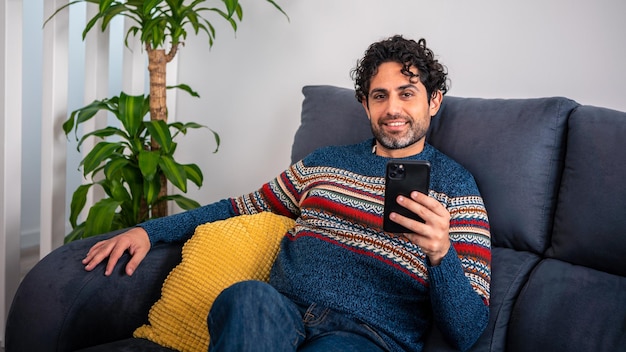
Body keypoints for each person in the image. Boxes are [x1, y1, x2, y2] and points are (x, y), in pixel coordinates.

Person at [82, 35, 491, 352]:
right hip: (279, 311)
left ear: (433, 101)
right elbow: (238, 207)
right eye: (379, 96)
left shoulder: (456, 187)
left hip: (367, 336)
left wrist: (440, 253)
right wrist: (149, 232)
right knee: (243, 297)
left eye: (407, 93)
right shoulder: (323, 162)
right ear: (365, 105)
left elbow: (468, 330)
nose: (392, 109)